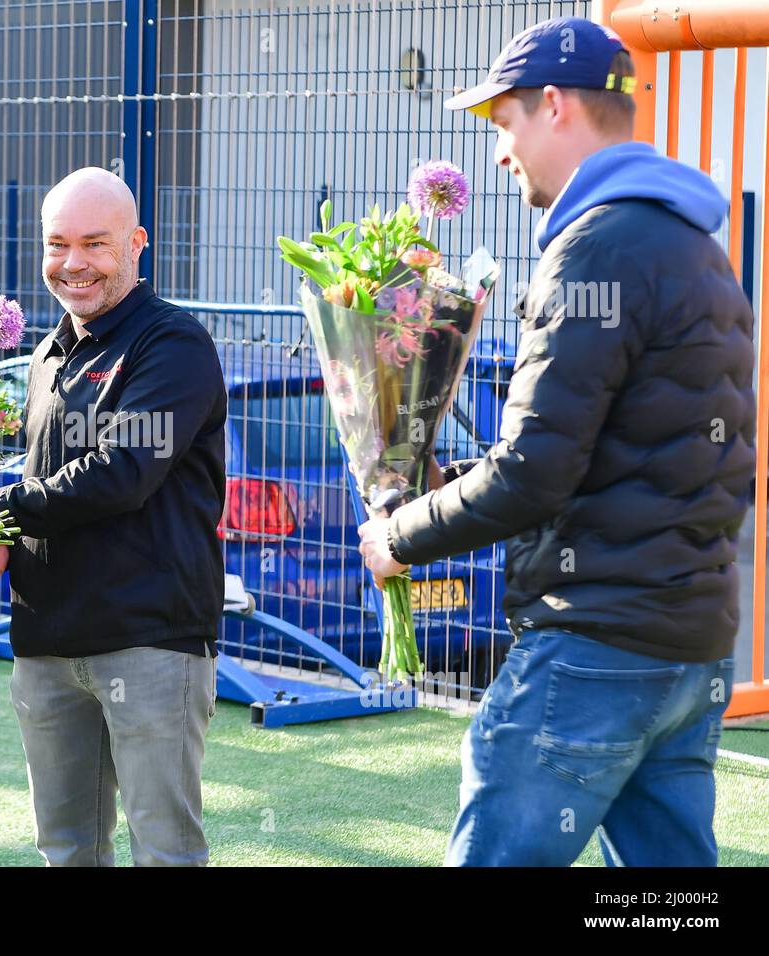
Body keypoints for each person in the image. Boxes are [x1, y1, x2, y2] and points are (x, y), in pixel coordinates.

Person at [358, 16, 755, 866]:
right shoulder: (696, 246)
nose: (501, 152)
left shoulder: (594, 248)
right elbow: (616, 446)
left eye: (504, 123)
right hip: (692, 645)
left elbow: (535, 472)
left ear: (553, 105)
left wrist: (400, 535)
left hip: (596, 645)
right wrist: (449, 482)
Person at [0, 167, 228, 866]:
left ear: (138, 243)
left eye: (96, 244)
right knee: (66, 851)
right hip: (45, 642)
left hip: (147, 640)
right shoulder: (48, 353)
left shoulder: (172, 344)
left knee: (165, 853)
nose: (74, 263)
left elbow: (119, 475)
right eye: (58, 244)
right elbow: (48, 483)